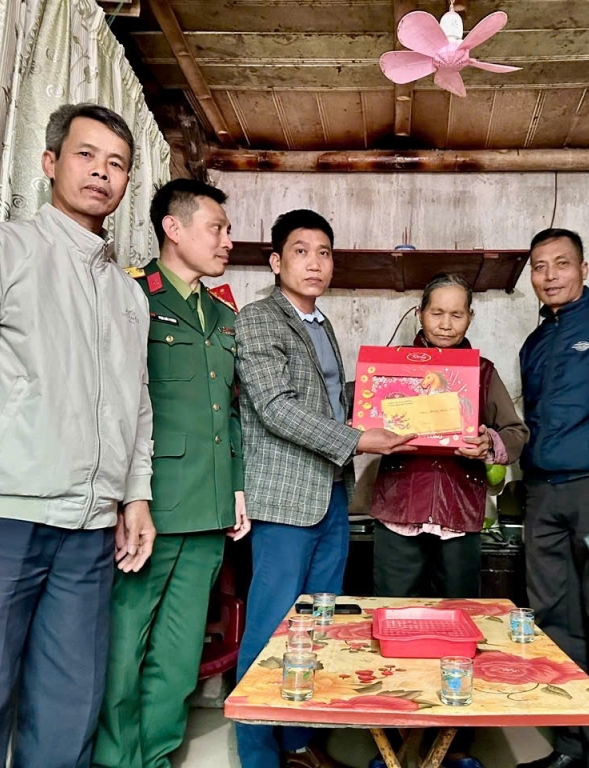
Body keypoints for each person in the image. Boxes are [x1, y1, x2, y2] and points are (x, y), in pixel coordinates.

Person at [0, 103, 155, 768]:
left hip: (91, 530)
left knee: (71, 709)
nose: (101, 172)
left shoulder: (129, 295)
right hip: (0, 520)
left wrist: (135, 495)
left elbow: (137, 405)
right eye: (86, 155)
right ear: (50, 162)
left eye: (117, 163)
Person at [233, 209, 414, 768]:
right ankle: (258, 755)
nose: (314, 263)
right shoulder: (259, 319)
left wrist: (398, 392)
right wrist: (360, 438)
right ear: (276, 261)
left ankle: (298, 741)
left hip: (331, 494)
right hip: (287, 499)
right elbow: (276, 408)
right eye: (301, 251)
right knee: (270, 627)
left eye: (324, 252)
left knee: (318, 622)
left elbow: (332, 402)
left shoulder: (322, 324)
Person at [92, 179, 250, 768]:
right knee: (122, 650)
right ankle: (116, 761)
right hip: (148, 506)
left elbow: (228, 410)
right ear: (174, 228)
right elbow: (111, 404)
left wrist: (235, 485)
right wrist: (122, 499)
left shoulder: (222, 312)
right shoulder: (132, 295)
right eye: (217, 228)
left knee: (180, 657)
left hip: (207, 507)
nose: (227, 240)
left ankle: (155, 757)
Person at [370, 272, 528, 768]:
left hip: (459, 514)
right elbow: (365, 420)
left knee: (459, 628)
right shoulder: (391, 368)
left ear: (470, 318)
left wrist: (489, 443)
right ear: (420, 314)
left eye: (456, 314)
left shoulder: (481, 371)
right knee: (394, 623)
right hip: (400, 512)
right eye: (436, 312)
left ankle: (453, 740)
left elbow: (515, 431)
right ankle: (395, 732)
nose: (445, 323)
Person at [516, 229, 589, 768]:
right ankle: (567, 745)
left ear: (584, 269)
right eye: (540, 267)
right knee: (552, 620)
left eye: (562, 264)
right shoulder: (533, 343)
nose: (551, 275)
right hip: (542, 495)